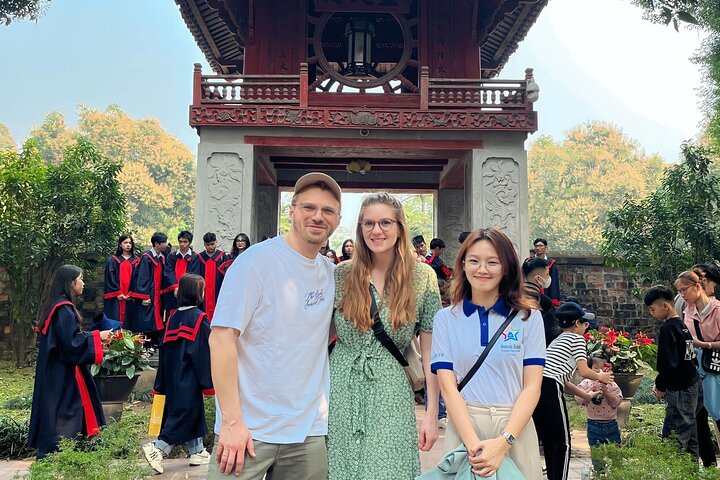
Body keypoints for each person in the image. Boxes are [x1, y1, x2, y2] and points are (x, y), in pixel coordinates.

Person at [208, 172, 342, 479]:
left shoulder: (330, 273)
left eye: (328, 211)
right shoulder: (256, 262)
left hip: (308, 431)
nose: (318, 216)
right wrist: (231, 422)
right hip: (249, 430)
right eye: (309, 207)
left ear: (337, 220)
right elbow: (221, 339)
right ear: (292, 210)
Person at [328, 192, 442, 480]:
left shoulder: (422, 277)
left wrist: (431, 413)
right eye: (368, 224)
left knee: (389, 468)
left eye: (385, 223)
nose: (376, 231)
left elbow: (432, 354)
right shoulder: (340, 274)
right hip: (341, 386)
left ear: (400, 228)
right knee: (340, 467)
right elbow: (314, 339)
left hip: (391, 389)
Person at [432, 228, 546, 480]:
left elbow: (532, 387)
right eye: (474, 261)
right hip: (465, 424)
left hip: (515, 426)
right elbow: (448, 389)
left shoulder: (529, 318)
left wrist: (504, 442)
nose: (482, 269)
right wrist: (475, 447)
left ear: (506, 267)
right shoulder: (445, 319)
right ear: (462, 265)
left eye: (492, 262)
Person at [29, 265, 111, 459]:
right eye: (80, 279)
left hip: (55, 368)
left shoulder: (56, 305)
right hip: (62, 371)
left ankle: (59, 454)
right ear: (70, 283)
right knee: (63, 411)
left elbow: (69, 338)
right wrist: (97, 337)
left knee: (56, 409)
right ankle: (57, 454)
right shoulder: (63, 308)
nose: (83, 283)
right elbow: (71, 343)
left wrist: (92, 337)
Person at [532, 302, 613, 480]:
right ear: (577, 323)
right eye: (585, 324)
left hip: (538, 385)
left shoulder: (557, 340)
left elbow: (563, 381)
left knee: (548, 438)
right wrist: (601, 377)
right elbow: (584, 371)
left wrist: (586, 396)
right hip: (550, 386)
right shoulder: (576, 339)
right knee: (563, 442)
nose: (586, 328)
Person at [143, 274, 214, 474]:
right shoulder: (199, 319)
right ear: (196, 293)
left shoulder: (173, 318)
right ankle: (157, 448)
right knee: (185, 414)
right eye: (202, 289)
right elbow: (201, 354)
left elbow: (163, 352)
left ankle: (197, 451)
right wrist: (207, 381)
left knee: (189, 411)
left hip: (173, 378)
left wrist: (161, 383)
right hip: (189, 378)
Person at [645, 285, 699, 457]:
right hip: (691, 384)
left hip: (680, 388)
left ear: (665, 306)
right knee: (689, 435)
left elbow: (668, 363)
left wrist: (660, 386)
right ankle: (691, 474)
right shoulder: (682, 327)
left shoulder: (669, 328)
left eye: (653, 309)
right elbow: (690, 357)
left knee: (674, 439)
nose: (652, 313)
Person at [674, 263, 720, 467]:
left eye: (684, 290)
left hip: (715, 366)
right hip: (697, 367)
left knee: (718, 415)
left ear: (698, 286)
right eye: (679, 291)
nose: (682, 295)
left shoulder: (717, 310)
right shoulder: (687, 312)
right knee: (698, 417)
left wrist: (705, 344)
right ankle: (709, 464)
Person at [573, 355, 622, 468]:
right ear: (589, 370)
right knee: (596, 456)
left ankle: (617, 473)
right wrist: (590, 390)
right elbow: (579, 399)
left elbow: (616, 402)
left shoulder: (612, 384)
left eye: (604, 368)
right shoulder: (586, 383)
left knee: (615, 455)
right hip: (593, 424)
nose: (600, 372)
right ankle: (599, 473)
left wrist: (606, 393)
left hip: (611, 425)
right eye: (596, 368)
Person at [131, 232, 175, 343]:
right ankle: (146, 345)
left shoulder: (162, 257)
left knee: (158, 318)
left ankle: (155, 343)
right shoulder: (147, 258)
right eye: (164, 242)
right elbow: (142, 278)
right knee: (147, 320)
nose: (166, 244)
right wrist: (144, 296)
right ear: (156, 244)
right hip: (149, 294)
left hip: (158, 295)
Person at [188, 232, 228, 321]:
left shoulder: (222, 257)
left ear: (216, 242)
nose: (210, 247)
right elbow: (194, 275)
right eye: (207, 245)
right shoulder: (199, 257)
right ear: (204, 244)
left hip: (218, 292)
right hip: (203, 293)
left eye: (212, 244)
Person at [103, 234, 140, 326]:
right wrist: (117, 292)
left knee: (130, 321)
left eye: (130, 243)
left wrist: (132, 293)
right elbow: (110, 278)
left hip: (131, 297)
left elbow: (138, 279)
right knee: (115, 318)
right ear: (120, 244)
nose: (128, 245)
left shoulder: (137, 261)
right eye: (125, 242)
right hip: (117, 297)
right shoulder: (113, 260)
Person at [522, 257, 560, 345]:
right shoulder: (543, 302)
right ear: (538, 279)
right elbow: (552, 333)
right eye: (547, 275)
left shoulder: (512, 297)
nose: (549, 278)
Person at [164, 230, 197, 318]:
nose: (182, 244)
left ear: (190, 243)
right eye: (180, 241)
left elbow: (195, 274)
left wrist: (184, 289)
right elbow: (168, 272)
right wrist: (175, 287)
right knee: (172, 316)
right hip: (173, 292)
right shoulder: (172, 256)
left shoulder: (195, 257)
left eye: (185, 242)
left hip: (188, 292)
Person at [532, 238, 560, 306]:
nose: (538, 248)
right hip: (532, 292)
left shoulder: (551, 263)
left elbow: (554, 282)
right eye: (536, 246)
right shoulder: (529, 261)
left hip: (546, 293)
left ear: (545, 247)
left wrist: (554, 298)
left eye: (541, 246)